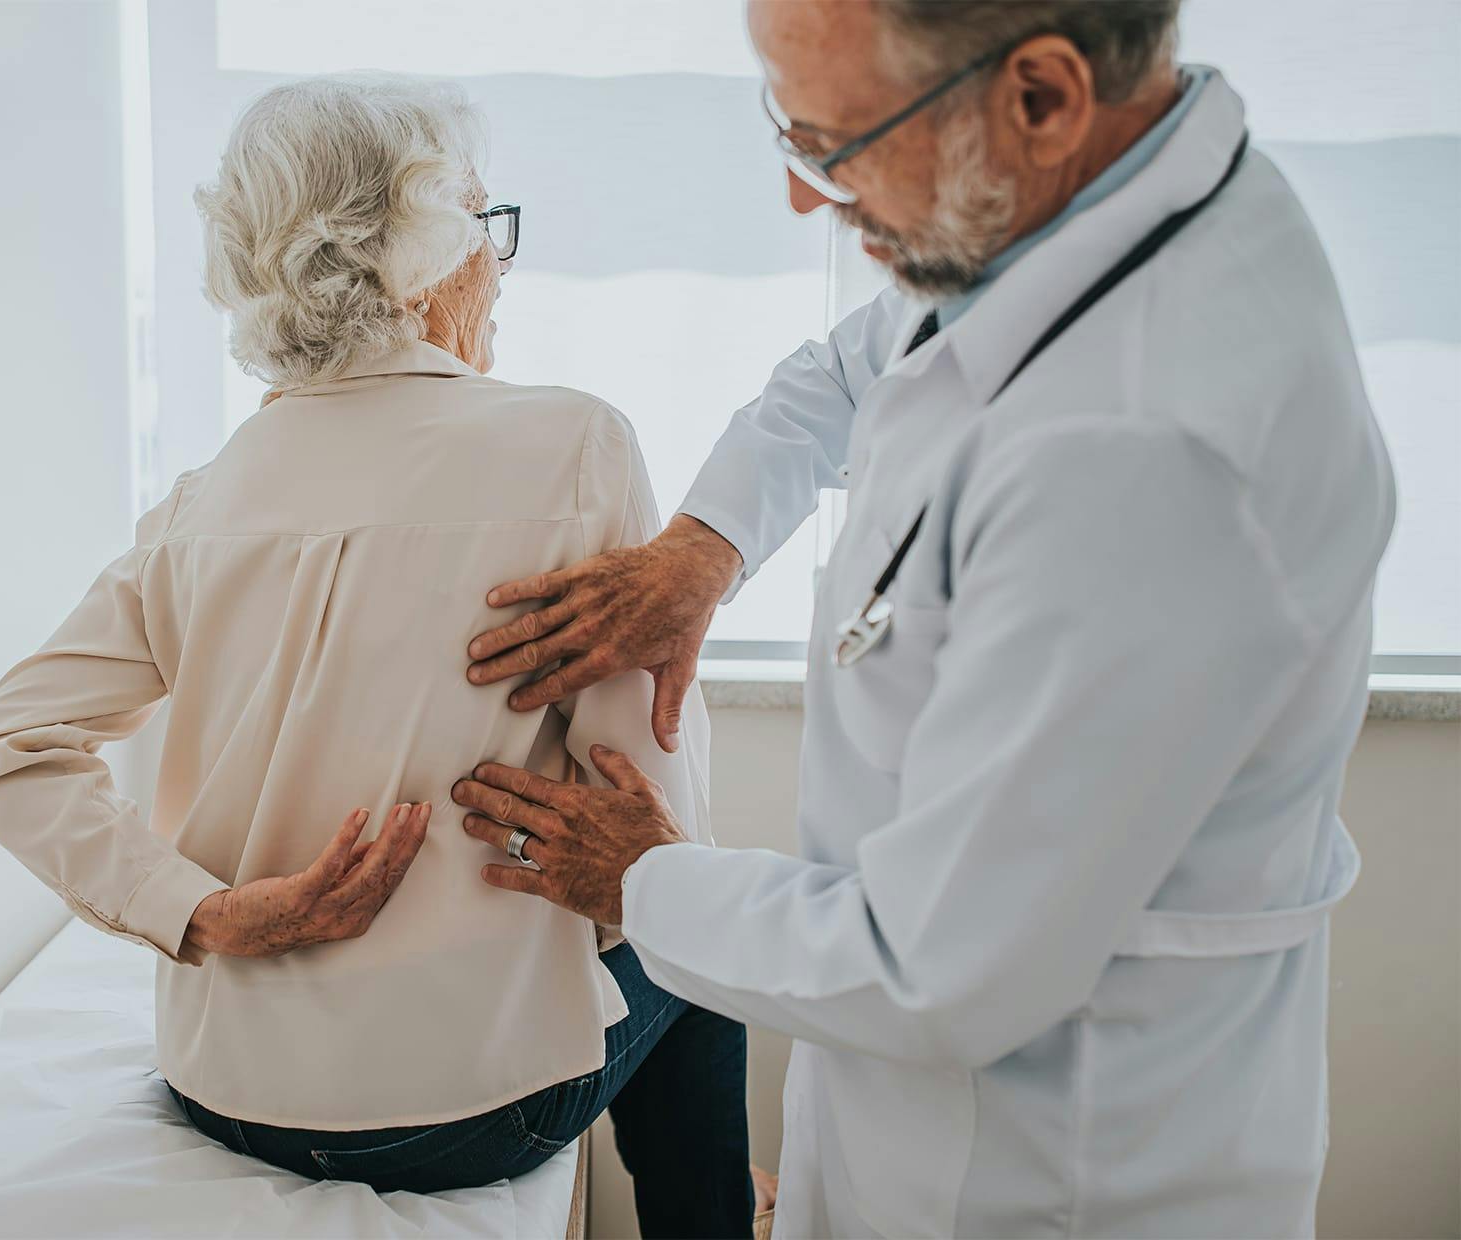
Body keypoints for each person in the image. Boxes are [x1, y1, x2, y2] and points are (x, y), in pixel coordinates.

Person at [454, 2, 1395, 1235]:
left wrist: (643, 880)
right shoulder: (1072, 210)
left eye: (835, 146)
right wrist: (702, 545)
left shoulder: (1153, 452)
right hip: (921, 1116)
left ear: (1042, 97)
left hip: (1053, 1174)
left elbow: (933, 967)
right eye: (785, 131)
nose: (805, 199)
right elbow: (856, 369)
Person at [0, 73, 757, 1236]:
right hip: (470, 1109)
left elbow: (3, 750)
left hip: (223, 1089)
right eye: (486, 226)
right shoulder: (573, 443)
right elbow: (640, 845)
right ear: (420, 250)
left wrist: (211, 914)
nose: (499, 263)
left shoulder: (200, 500)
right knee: (703, 956)